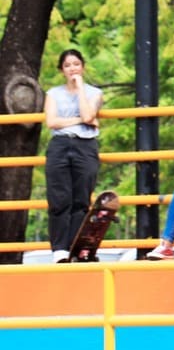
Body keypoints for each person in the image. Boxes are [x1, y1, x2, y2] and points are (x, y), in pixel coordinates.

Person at [44, 49, 104, 263]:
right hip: (60, 145)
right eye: (67, 65)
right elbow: (52, 122)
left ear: (83, 67)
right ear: (62, 70)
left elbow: (88, 114)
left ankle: (76, 248)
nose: (72, 69)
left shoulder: (94, 93)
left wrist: (79, 89)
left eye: (76, 64)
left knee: (81, 200)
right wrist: (80, 120)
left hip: (85, 145)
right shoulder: (53, 93)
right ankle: (59, 249)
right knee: (59, 199)